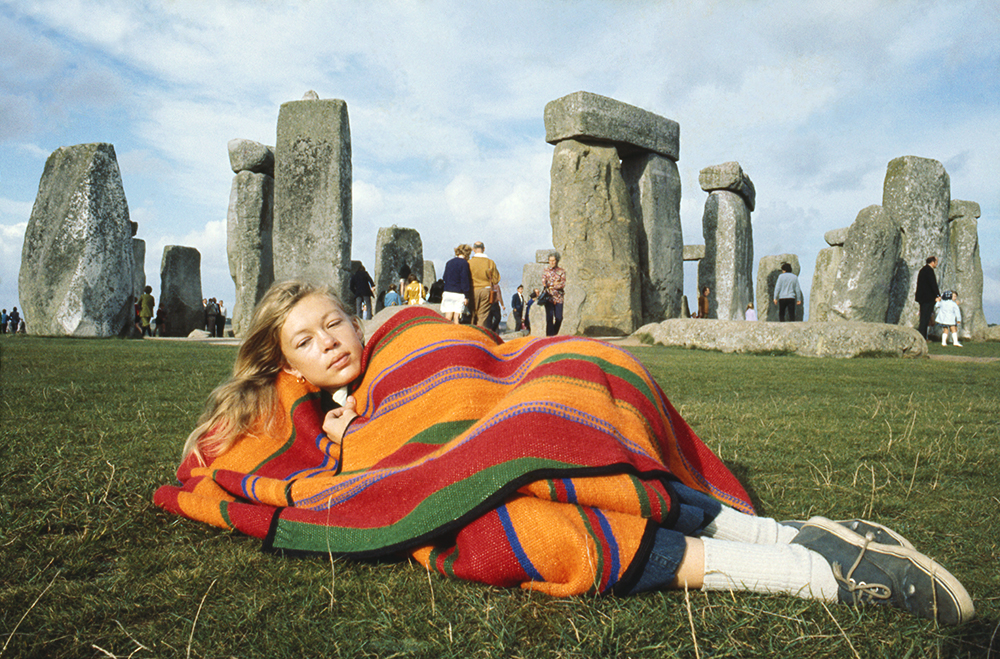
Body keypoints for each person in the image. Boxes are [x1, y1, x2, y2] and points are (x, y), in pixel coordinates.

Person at [155, 280, 974, 627]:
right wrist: (354, 441)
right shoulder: (316, 412)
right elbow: (279, 470)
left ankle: (796, 542)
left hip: (506, 419)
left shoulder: (403, 335)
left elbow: (475, 369)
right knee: (516, 526)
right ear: (285, 363)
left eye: (335, 320)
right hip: (476, 476)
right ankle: (812, 566)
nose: (330, 339)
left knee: (556, 436)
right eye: (306, 338)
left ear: (357, 316)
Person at [468, 241, 500, 328]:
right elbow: (496, 279)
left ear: (473, 249)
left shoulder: (469, 263)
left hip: (472, 290)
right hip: (486, 290)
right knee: (483, 316)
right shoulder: (490, 262)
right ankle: (479, 336)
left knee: (472, 315)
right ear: (484, 249)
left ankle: (470, 335)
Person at [441, 244, 473, 324]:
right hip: (459, 293)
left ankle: (445, 334)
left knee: (448, 317)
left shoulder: (449, 262)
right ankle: (456, 335)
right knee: (457, 317)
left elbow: (444, 277)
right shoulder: (464, 264)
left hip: (448, 292)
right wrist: (467, 296)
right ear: (467, 253)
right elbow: (464, 280)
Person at [915, 256, 941, 339]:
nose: (937, 264)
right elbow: (933, 284)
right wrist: (937, 295)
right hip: (927, 298)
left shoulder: (923, 270)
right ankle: (922, 337)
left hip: (922, 298)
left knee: (924, 317)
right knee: (925, 318)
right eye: (936, 262)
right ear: (932, 262)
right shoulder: (929, 271)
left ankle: (923, 336)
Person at [542, 253, 566, 336]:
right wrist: (555, 283)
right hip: (549, 297)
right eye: (550, 261)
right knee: (549, 318)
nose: (552, 262)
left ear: (556, 261)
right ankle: (549, 337)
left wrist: (551, 285)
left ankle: (554, 334)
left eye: (553, 260)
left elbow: (562, 284)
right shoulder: (545, 271)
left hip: (559, 297)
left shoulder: (561, 271)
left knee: (559, 318)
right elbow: (544, 283)